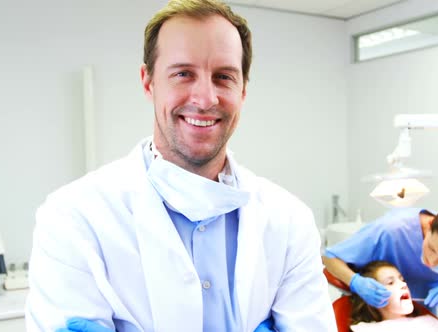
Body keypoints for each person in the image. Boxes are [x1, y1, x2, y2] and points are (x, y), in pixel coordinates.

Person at [25, 1, 336, 331]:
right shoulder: (74, 217)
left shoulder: (289, 221)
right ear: (149, 82)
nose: (205, 99)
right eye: (183, 74)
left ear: (243, 89)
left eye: (223, 77)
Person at [323, 193, 438, 314]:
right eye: (432, 249)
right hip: (375, 314)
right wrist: (355, 282)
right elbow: (329, 257)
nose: (432, 262)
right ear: (429, 224)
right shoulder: (391, 230)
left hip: (420, 317)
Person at [347, 260, 438, 332]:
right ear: (371, 296)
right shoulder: (366, 329)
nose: (403, 285)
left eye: (402, 280)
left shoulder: (429, 322)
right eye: (390, 283)